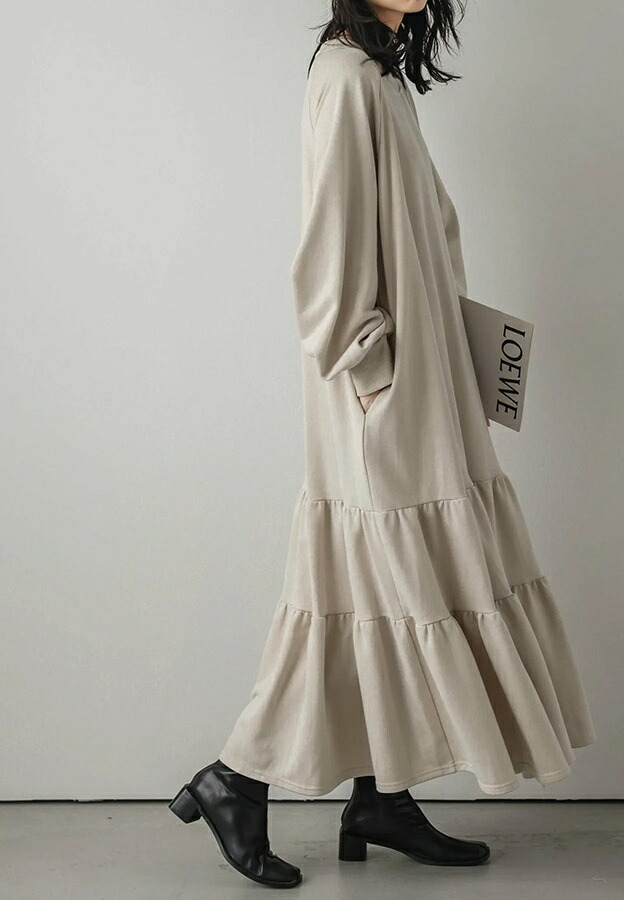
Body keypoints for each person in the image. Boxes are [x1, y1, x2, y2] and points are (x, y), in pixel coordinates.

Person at [169, 0, 597, 889]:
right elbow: (327, 256)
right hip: (384, 395)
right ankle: (236, 778)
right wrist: (375, 372)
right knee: (370, 582)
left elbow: (422, 235)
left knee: (380, 590)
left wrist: (452, 358)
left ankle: (379, 797)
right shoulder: (345, 79)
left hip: (421, 380)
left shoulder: (379, 74)